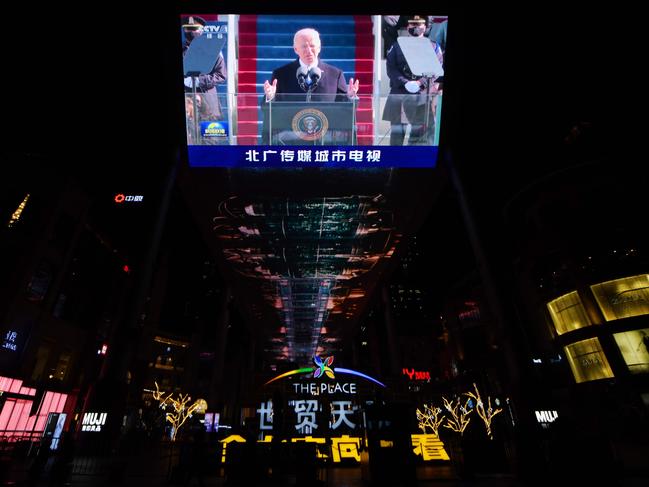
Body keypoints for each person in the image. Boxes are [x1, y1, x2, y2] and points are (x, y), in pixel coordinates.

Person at [382, 16, 444, 146]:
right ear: (407, 27)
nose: (415, 27)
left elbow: (436, 70)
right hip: (400, 95)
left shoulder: (433, 47)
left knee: (419, 139)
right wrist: (405, 82)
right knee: (397, 137)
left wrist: (420, 83)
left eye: (419, 24)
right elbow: (391, 68)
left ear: (425, 27)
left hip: (422, 97)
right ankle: (394, 165)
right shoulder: (397, 45)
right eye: (412, 24)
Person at [262, 28, 359, 103]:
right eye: (304, 46)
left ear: (319, 48)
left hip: (326, 128)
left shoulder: (335, 75)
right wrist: (271, 97)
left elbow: (344, 109)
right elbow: (270, 111)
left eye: (312, 46)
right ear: (296, 49)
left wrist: (350, 97)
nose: (309, 51)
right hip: (290, 128)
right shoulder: (281, 74)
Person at [182, 16, 227, 143]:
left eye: (196, 29)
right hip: (187, 105)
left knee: (212, 142)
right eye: (189, 30)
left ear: (202, 31)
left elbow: (222, 75)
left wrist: (199, 81)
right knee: (190, 143)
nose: (193, 33)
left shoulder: (213, 50)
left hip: (208, 104)